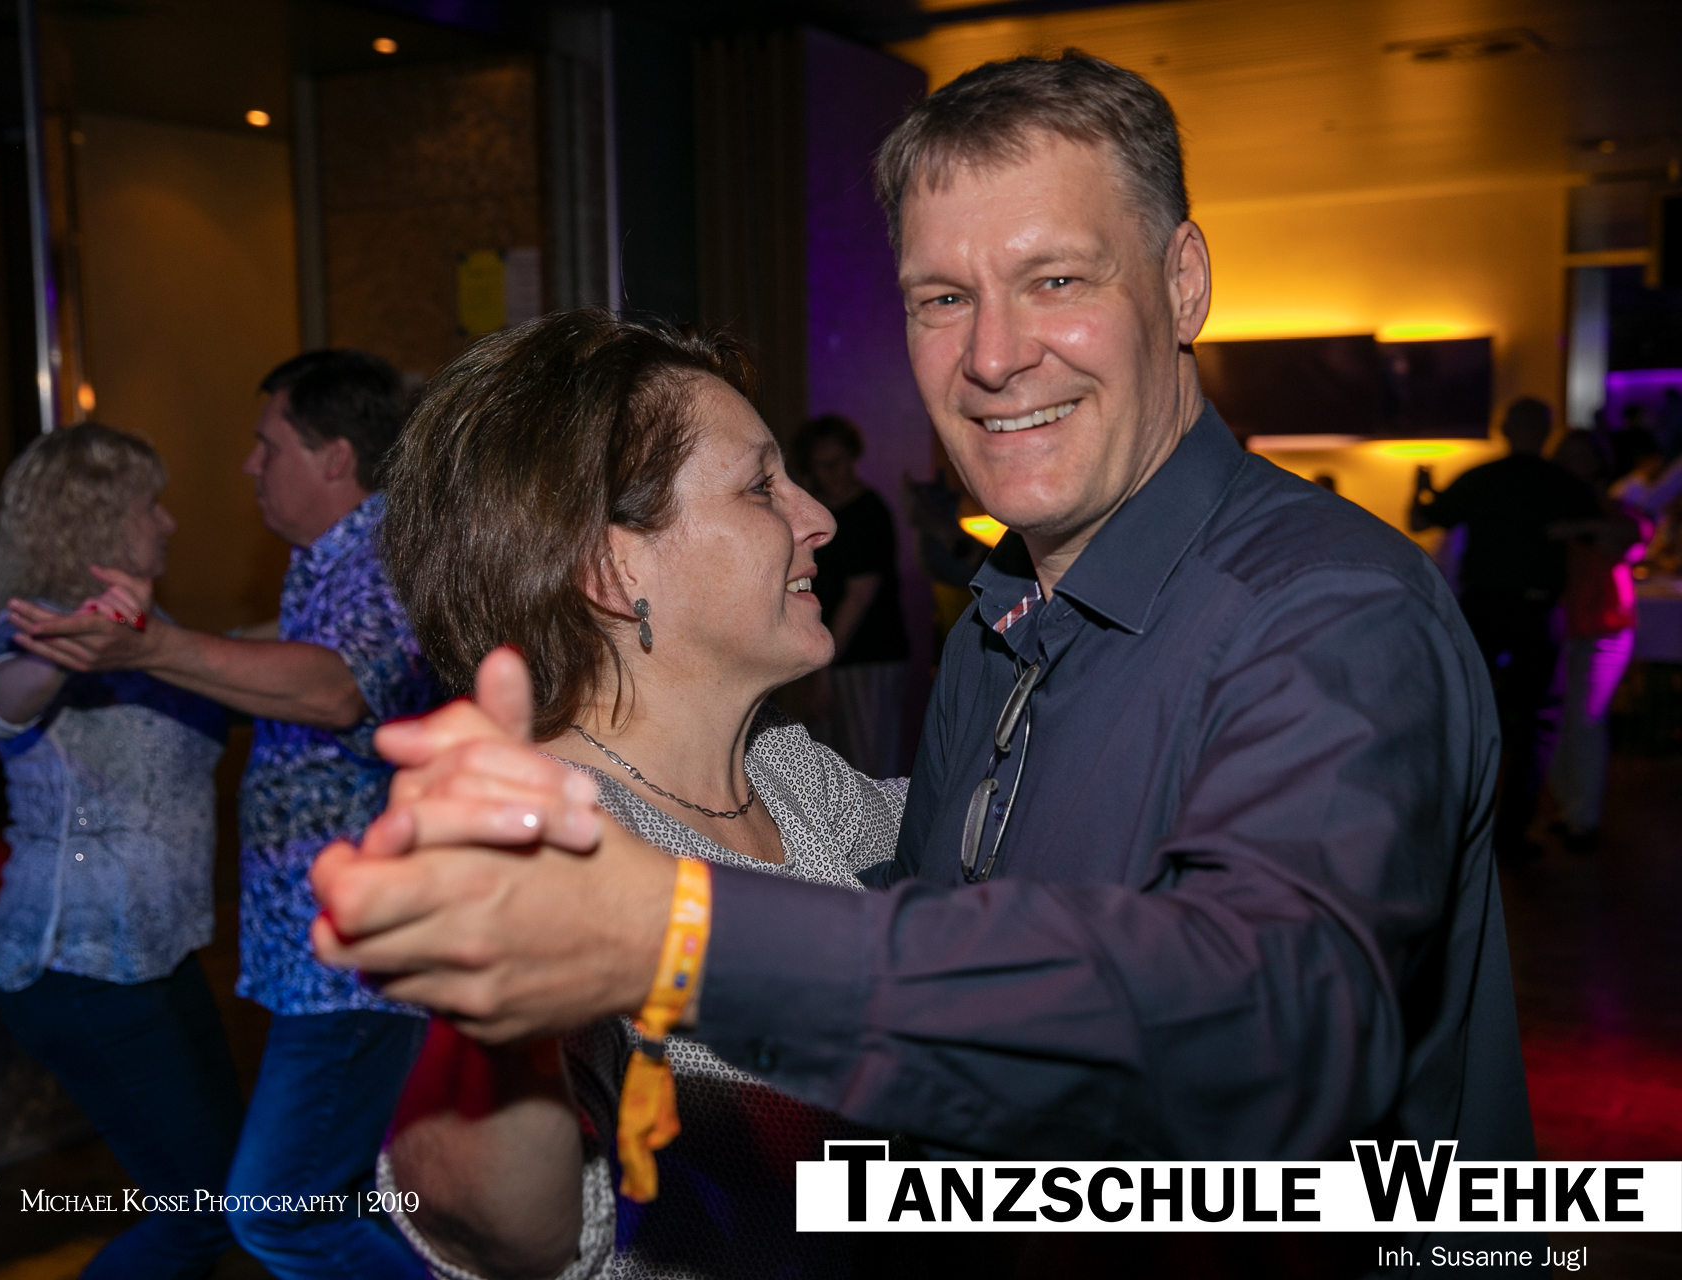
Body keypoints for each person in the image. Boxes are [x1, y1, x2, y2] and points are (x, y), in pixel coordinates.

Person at [310, 47, 1534, 1265]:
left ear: (1184, 282)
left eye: (1056, 278)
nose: (993, 355)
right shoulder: (1001, 626)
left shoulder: (1324, 608)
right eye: (942, 298)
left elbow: (1278, 1024)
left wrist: (674, 936)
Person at [363, 311, 906, 1279]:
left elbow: (1005, 848)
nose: (817, 517)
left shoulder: (787, 771)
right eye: (761, 487)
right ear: (612, 571)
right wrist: (506, 1029)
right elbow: (485, 1223)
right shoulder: (568, 837)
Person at [7, 351, 443, 1280]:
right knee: (341, 1205)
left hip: (361, 962)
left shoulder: (387, 555)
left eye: (267, 443)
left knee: (276, 1215)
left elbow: (336, 689)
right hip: (317, 957)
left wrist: (152, 648)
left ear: (334, 456)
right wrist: (142, 647)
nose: (248, 464)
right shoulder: (326, 563)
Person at [0, 423, 244, 1278]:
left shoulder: (147, 628)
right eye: (149, 504)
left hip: (157, 954)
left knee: (230, 1193)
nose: (168, 522)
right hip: (75, 964)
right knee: (200, 1218)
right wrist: (59, 656)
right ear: (95, 518)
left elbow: (232, 665)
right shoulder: (37, 630)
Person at [1412, 397, 1599, 861]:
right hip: (1536, 611)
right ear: (1548, 430)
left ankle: (1458, 830)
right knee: (1533, 724)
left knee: (1469, 718)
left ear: (1504, 428)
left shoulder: (1483, 477)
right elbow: (1606, 531)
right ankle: (1511, 833)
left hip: (1484, 609)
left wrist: (1421, 488)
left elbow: (1421, 520)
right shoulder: (1561, 483)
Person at [789, 414, 913, 777]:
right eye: (821, 465)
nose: (831, 474)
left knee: (867, 769)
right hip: (826, 654)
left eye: (837, 462)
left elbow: (859, 597)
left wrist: (823, 666)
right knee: (824, 769)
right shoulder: (814, 512)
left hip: (868, 655)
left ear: (852, 457)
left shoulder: (868, 512)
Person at [1545, 432, 1645, 853]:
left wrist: (1581, 527)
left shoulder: (1611, 508)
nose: (1575, 465)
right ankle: (1570, 809)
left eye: (1582, 457)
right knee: (1558, 721)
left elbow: (1631, 538)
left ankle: (1582, 817)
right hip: (1560, 627)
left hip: (1604, 625)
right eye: (1568, 456)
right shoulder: (1550, 507)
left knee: (1584, 719)